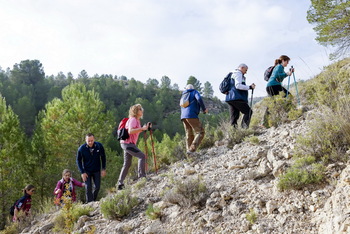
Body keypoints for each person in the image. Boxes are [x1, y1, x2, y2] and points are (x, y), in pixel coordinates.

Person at [117, 104, 151, 190]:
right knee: (142, 156)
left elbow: (137, 131)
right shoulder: (133, 120)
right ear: (136, 111)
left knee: (127, 163)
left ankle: (120, 184)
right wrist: (142, 129)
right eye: (140, 109)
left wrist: (145, 128)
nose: (142, 110)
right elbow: (131, 131)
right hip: (128, 144)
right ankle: (142, 177)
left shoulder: (137, 121)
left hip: (126, 144)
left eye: (141, 108)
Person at [76, 133, 106, 202]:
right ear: (85, 140)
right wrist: (82, 172)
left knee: (97, 187)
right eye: (88, 141)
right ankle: (89, 202)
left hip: (96, 170)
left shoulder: (99, 146)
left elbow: (103, 157)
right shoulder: (81, 148)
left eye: (92, 140)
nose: (90, 142)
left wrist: (103, 168)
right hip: (87, 171)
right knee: (88, 187)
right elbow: (78, 160)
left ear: (94, 139)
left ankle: (93, 200)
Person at [225, 63, 256, 128]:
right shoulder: (238, 73)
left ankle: (234, 133)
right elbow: (238, 85)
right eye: (246, 70)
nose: (246, 72)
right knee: (248, 112)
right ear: (242, 68)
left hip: (229, 98)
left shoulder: (231, 73)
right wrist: (249, 87)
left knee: (234, 117)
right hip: (237, 97)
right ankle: (244, 129)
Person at [180, 84, 208, 155]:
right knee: (200, 132)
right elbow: (199, 99)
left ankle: (188, 152)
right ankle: (192, 149)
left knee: (188, 133)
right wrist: (204, 109)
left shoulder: (183, 94)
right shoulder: (194, 92)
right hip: (191, 115)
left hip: (183, 117)